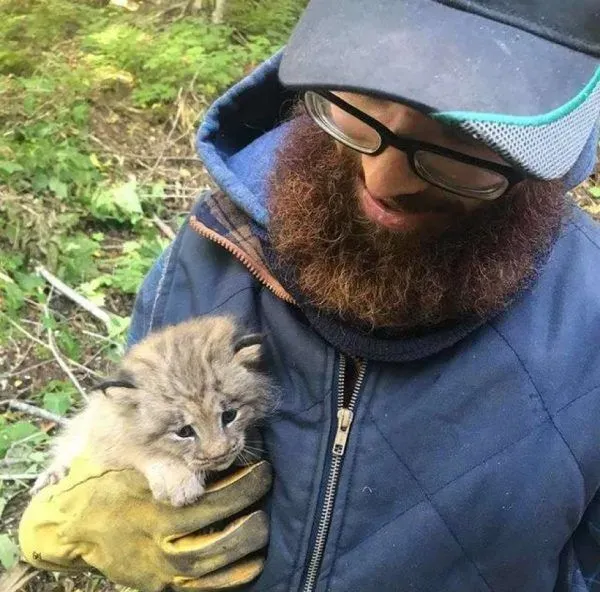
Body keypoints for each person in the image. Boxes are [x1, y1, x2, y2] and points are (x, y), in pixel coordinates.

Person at [19, 0, 600, 590]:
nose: (383, 182)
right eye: (365, 98)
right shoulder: (213, 240)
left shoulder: (591, 324)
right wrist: (75, 503)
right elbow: (130, 419)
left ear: (547, 151)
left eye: (461, 136)